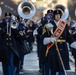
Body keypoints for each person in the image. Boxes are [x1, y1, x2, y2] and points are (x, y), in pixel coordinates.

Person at [42, 9, 76, 75]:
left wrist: (73, 43)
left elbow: (68, 37)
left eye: (59, 15)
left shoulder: (64, 25)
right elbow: (43, 38)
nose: (58, 16)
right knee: (53, 68)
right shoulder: (48, 25)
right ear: (54, 16)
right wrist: (50, 39)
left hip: (63, 48)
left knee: (62, 68)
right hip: (53, 48)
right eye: (56, 15)